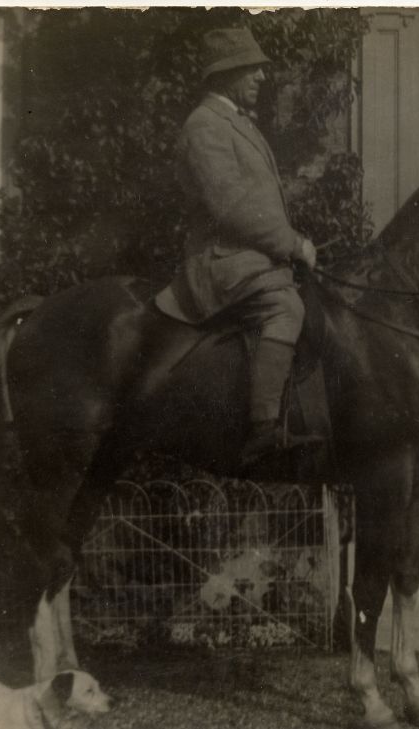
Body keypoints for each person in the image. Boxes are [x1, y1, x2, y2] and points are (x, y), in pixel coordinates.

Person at [166, 27, 318, 466]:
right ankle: (264, 429)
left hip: (251, 259)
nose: (260, 78)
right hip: (222, 263)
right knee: (285, 309)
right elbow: (231, 208)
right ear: (225, 74)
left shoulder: (235, 123)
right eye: (250, 70)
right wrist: (292, 244)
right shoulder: (204, 126)